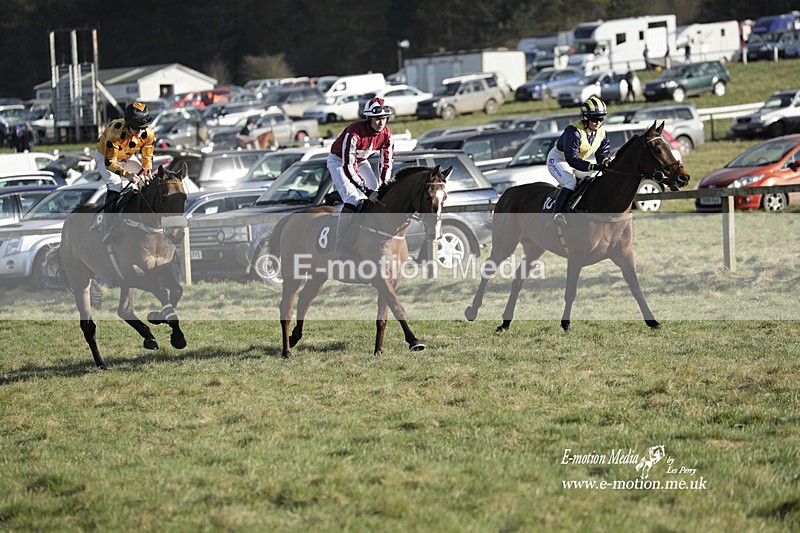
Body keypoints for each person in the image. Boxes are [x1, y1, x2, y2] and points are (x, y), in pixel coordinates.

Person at [326, 97, 394, 258]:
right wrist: (366, 190)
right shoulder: (354, 133)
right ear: (369, 118)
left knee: (379, 194)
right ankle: (340, 246)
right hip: (339, 161)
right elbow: (348, 167)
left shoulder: (386, 135)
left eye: (384, 118)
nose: (381, 122)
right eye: (377, 119)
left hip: (361, 161)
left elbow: (386, 162)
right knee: (352, 199)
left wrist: (384, 185)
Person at [95, 102, 155, 243]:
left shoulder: (148, 133)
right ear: (128, 124)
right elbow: (110, 163)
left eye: (143, 128)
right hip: (105, 157)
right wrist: (127, 175)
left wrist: (147, 170)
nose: (140, 132)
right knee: (116, 184)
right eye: (136, 128)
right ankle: (108, 227)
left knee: (145, 181)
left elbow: (147, 156)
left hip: (127, 156)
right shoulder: (115, 133)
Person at [546, 96, 611, 226]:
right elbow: (572, 159)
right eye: (594, 119)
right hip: (559, 159)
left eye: (601, 118)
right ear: (585, 118)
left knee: (593, 180)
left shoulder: (602, 133)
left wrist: (605, 161)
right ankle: (556, 215)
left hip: (579, 161)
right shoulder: (573, 131)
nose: (598, 122)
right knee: (570, 182)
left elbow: (602, 153)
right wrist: (593, 166)